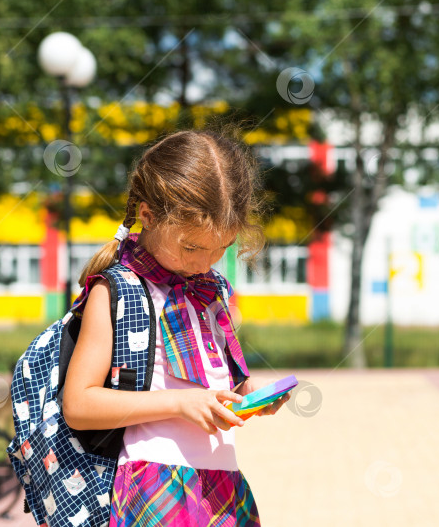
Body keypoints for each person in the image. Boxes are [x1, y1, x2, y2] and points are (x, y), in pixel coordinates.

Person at [62, 129, 290, 526]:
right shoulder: (118, 292)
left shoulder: (210, 290)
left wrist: (247, 395)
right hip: (155, 486)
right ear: (147, 215)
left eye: (221, 248)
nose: (206, 262)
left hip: (221, 482)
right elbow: (79, 405)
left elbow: (209, 385)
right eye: (191, 247)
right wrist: (180, 405)